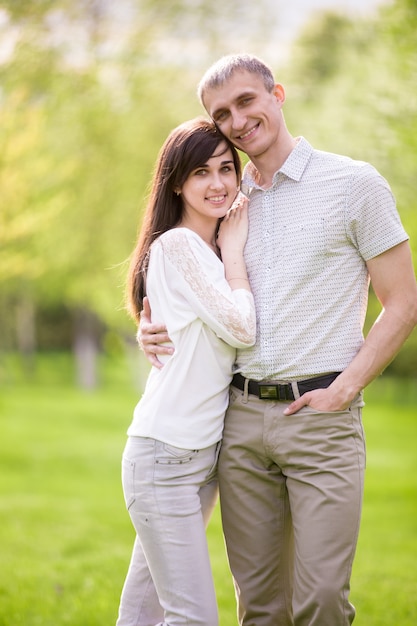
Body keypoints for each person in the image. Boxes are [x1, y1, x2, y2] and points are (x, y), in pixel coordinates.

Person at [138, 55, 417, 626]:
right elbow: (187, 286)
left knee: (319, 601)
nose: (237, 121)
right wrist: (150, 326)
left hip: (321, 419)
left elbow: (404, 303)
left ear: (278, 94)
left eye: (246, 102)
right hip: (237, 424)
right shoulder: (223, 202)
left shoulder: (354, 184)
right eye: (222, 114)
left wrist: (345, 389)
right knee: (259, 608)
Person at [116, 116, 256, 626]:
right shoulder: (180, 246)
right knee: (193, 617)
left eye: (226, 168)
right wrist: (236, 256)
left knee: (142, 611)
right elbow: (242, 328)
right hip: (166, 457)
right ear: (177, 182)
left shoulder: (207, 250)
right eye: (201, 172)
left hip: (196, 459)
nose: (218, 183)